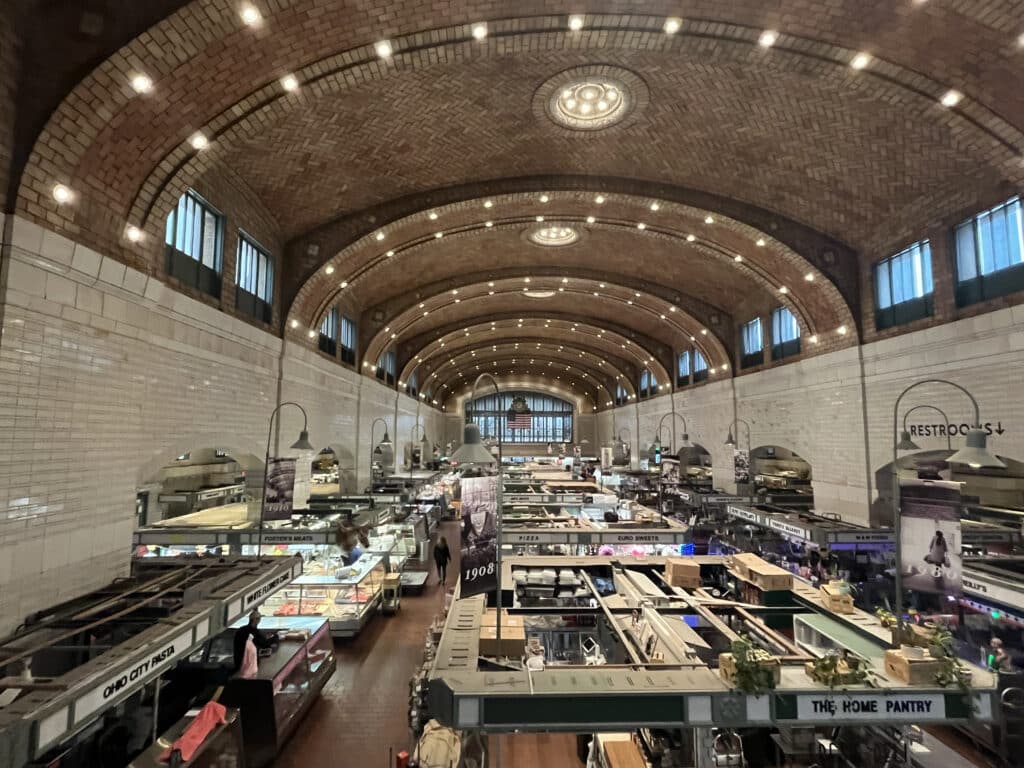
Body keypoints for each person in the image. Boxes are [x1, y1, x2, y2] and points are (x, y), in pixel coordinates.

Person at [232, 610, 275, 674]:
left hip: (238, 660)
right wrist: (276, 637)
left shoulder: (241, 630)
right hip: (248, 662)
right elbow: (264, 644)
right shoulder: (253, 632)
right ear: (256, 620)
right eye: (259, 619)